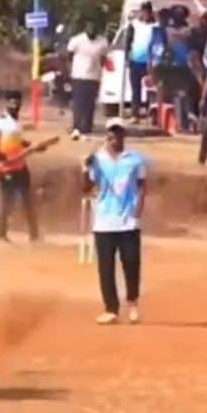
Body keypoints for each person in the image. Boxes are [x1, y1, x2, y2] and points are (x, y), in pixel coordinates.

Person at [82, 118, 148, 325]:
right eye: (111, 132)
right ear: (107, 135)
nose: (115, 137)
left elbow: (142, 185)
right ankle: (111, 309)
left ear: (123, 135)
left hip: (128, 221)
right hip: (104, 221)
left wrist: (139, 208)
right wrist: (85, 168)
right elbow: (86, 188)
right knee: (106, 268)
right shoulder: (98, 160)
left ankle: (133, 303)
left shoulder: (135, 159)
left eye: (118, 132)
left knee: (131, 263)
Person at [0, 90, 42, 243]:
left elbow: (18, 142)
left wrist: (32, 146)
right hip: (6, 169)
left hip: (21, 166)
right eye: (12, 102)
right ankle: (1, 234)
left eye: (17, 102)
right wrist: (0, 156)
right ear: (6, 103)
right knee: (6, 202)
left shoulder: (17, 123)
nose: (15, 105)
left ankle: (34, 235)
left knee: (28, 201)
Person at [66, 20, 109, 139]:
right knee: (78, 103)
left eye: (94, 29)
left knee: (90, 104)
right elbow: (69, 56)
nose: (91, 31)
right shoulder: (77, 40)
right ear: (85, 29)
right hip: (79, 76)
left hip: (94, 77)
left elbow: (103, 58)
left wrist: (101, 70)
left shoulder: (103, 42)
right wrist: (72, 70)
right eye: (89, 29)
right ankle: (76, 126)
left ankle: (87, 127)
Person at [125, 1, 158, 123]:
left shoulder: (156, 26)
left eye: (148, 11)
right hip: (136, 61)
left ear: (150, 12)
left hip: (151, 62)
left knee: (152, 89)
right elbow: (128, 42)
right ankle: (135, 114)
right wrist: (127, 59)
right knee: (136, 89)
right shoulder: (134, 25)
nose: (145, 13)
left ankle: (152, 114)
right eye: (143, 11)